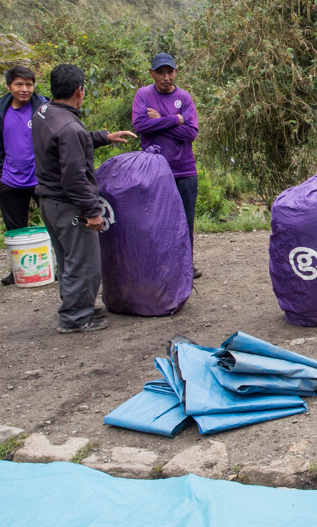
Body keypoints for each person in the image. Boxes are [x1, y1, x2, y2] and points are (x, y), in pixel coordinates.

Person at [33, 64, 134, 333]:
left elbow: (69, 144)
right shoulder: (69, 127)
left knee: (68, 260)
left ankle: (77, 307)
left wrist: (103, 137)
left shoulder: (45, 112)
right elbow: (75, 177)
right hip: (68, 206)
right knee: (85, 263)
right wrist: (92, 211)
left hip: (48, 201)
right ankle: (76, 317)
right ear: (80, 90)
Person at [132, 52, 202, 278]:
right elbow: (140, 125)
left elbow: (191, 132)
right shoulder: (143, 94)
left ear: (175, 72)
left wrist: (159, 118)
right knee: (155, 221)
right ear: (151, 73)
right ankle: (159, 265)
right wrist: (175, 118)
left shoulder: (185, 97)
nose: (165, 77)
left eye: (169, 71)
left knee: (185, 221)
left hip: (184, 171)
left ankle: (185, 267)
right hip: (154, 172)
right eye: (160, 72)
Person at [0, 64, 49, 285]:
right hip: (10, 180)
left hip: (41, 179)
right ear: (8, 86)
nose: (24, 89)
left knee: (55, 224)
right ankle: (19, 271)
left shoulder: (44, 107)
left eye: (29, 84)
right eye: (19, 84)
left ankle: (56, 268)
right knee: (16, 230)